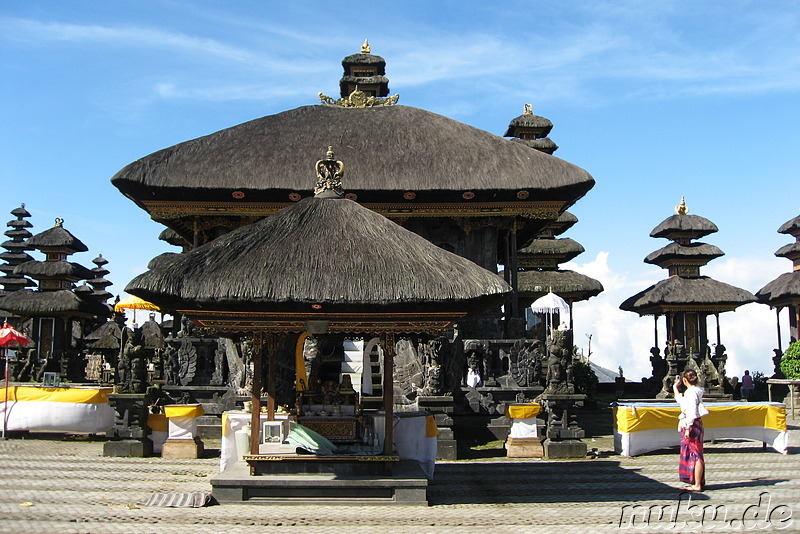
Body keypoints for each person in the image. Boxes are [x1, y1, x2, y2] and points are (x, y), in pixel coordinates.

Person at [673, 369, 708, 491]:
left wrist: (688, 427)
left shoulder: (691, 393)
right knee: (694, 452)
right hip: (694, 423)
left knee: (696, 454)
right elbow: (682, 402)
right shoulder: (694, 391)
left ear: (685, 380)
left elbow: (691, 411)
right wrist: (675, 388)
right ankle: (696, 480)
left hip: (691, 424)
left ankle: (698, 484)